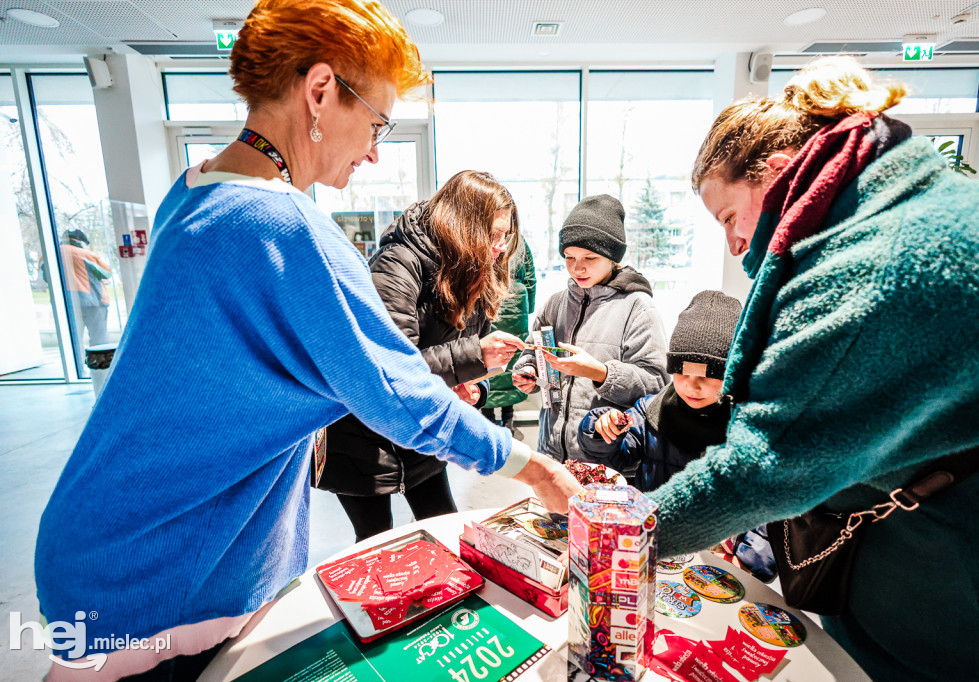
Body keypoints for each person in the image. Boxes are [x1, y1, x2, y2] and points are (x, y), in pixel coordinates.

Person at [34, 2, 579, 679]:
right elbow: (403, 396)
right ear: (320, 91)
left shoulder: (195, 188)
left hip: (100, 540)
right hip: (157, 577)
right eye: (377, 121)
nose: (376, 148)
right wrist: (537, 469)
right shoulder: (286, 226)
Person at [644, 57, 979, 680]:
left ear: (773, 174)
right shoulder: (898, 194)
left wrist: (624, 532)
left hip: (956, 572)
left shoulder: (873, 265)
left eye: (729, 220)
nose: (737, 245)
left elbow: (758, 467)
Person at [321, 170, 526, 541]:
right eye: (492, 235)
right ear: (464, 226)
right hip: (360, 435)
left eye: (505, 235)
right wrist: (474, 355)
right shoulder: (397, 263)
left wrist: (475, 390)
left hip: (419, 425)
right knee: (374, 540)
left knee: (444, 525)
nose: (499, 246)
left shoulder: (472, 267)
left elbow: (456, 362)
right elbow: (391, 371)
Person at [577, 290, 775, 582]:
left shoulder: (754, 425)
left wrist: (751, 559)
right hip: (654, 549)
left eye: (706, 378)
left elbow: (772, 503)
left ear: (733, 372)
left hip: (721, 566)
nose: (691, 387)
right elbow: (614, 460)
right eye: (681, 374)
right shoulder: (653, 409)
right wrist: (601, 429)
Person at [513, 194, 668, 462]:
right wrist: (527, 372)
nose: (577, 267)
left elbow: (657, 384)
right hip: (550, 452)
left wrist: (601, 373)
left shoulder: (638, 308)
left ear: (613, 258)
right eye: (569, 257)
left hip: (607, 460)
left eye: (590, 257)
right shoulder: (556, 303)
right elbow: (532, 351)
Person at [481, 239, 536, 436]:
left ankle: (488, 420)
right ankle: (509, 420)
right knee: (512, 356)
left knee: (489, 357)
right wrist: (528, 306)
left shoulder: (486, 235)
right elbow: (530, 277)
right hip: (516, 301)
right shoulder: (520, 241)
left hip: (487, 297)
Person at [59, 228, 111, 363]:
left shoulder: (52, 254)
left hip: (68, 301)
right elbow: (106, 273)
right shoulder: (86, 254)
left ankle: (77, 364)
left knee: (74, 337)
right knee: (98, 337)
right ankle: (100, 367)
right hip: (93, 300)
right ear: (79, 241)